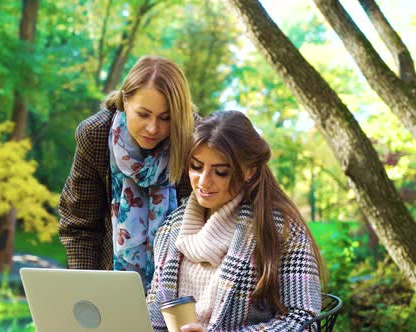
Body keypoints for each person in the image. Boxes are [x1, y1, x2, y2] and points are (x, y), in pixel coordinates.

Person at [147, 111, 325, 331]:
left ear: (249, 171)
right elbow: (154, 315)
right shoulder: (170, 228)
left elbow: (305, 321)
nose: (204, 181)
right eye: (196, 167)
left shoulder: (281, 230)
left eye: (221, 172)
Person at [59, 55, 199, 289]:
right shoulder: (95, 135)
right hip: (110, 283)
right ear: (125, 100)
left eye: (166, 118)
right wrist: (87, 290)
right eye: (143, 115)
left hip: (183, 285)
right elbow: (80, 225)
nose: (153, 129)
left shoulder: (195, 139)